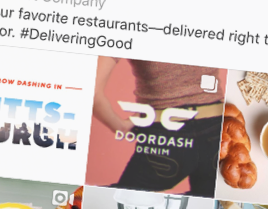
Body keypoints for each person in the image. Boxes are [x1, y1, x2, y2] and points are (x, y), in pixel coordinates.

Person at [92, 57, 224, 197]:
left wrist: (121, 127)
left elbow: (92, 93)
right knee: (205, 208)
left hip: (167, 137)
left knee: (119, 203)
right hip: (217, 130)